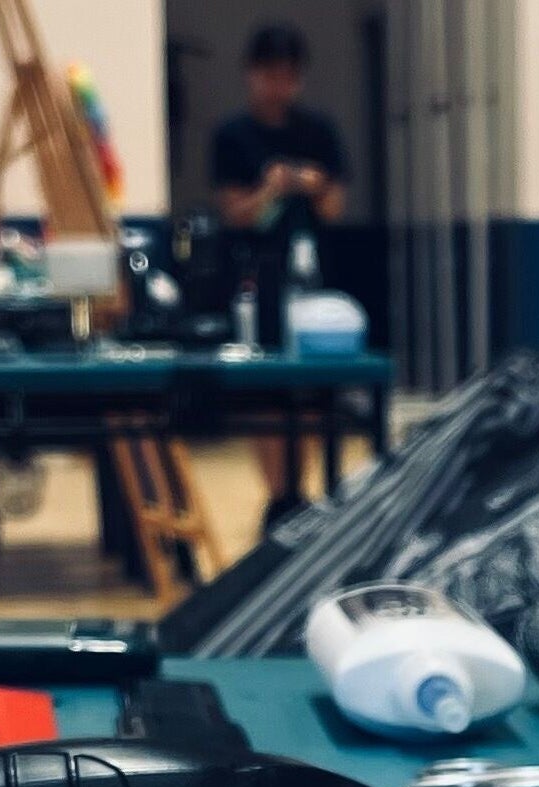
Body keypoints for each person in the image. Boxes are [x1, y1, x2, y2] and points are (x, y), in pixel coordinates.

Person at [211, 23, 348, 524]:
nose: (279, 87)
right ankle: (276, 493)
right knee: (263, 390)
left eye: (289, 77)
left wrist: (311, 185)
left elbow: (335, 207)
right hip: (253, 277)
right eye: (270, 76)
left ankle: (300, 489)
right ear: (252, 75)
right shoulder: (233, 137)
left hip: (310, 274)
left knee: (311, 389)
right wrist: (270, 190)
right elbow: (233, 212)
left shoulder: (318, 132)